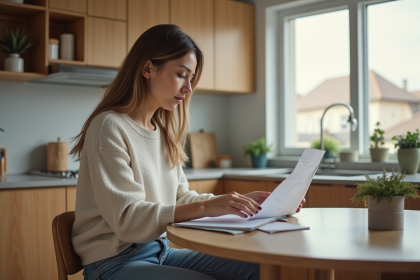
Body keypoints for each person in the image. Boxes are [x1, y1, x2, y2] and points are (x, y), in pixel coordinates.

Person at [70, 24, 305, 280]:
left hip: (161, 252)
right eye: (182, 74)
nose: (188, 88)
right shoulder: (109, 126)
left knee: (265, 269)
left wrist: (238, 203)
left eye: (191, 78)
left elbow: (180, 200)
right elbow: (127, 220)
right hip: (113, 263)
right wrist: (208, 207)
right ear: (148, 68)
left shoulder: (162, 131)